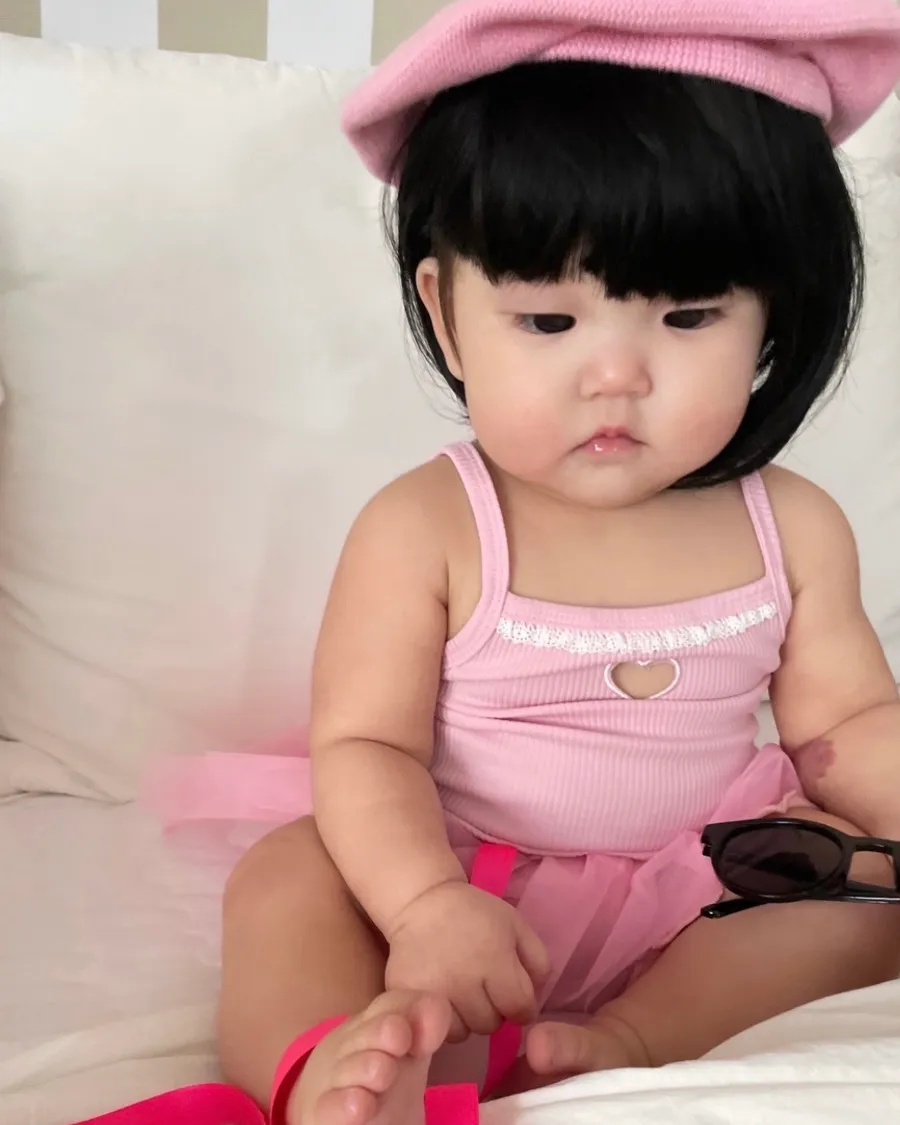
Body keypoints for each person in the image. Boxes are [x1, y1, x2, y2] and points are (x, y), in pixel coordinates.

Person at [187, 2, 900, 1123]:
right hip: (457, 871)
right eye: (548, 323)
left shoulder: (792, 524)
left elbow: (847, 725)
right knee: (287, 874)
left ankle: (633, 1038)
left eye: (689, 316)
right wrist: (422, 903)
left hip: (704, 882)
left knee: (862, 886)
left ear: (774, 316)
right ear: (447, 312)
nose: (616, 375)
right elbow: (367, 743)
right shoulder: (429, 525)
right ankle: (325, 1064)